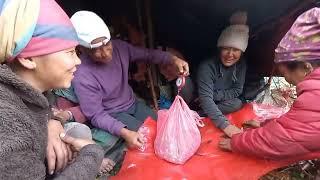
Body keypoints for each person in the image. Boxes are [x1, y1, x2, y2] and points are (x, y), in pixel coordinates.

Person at [0, 0, 104, 179]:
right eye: (69, 52)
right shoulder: (7, 128)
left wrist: (53, 122)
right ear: (29, 58)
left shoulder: (33, 92)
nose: (78, 61)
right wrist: (91, 155)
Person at [70, 11, 189, 150]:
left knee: (166, 127)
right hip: (113, 114)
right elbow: (96, 115)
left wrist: (173, 59)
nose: (106, 53)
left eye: (107, 44)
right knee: (150, 139)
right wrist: (125, 133)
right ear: (83, 49)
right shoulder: (82, 75)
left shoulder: (120, 48)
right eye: (96, 50)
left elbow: (148, 54)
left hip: (133, 103)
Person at [219, 8, 320, 160]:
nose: (287, 80)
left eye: (284, 74)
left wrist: (237, 143)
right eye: (226, 48)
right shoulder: (209, 66)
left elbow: (284, 139)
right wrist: (266, 125)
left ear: (306, 66)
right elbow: (300, 124)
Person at [197, 12, 249, 137]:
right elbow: (205, 98)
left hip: (215, 100)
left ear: (241, 52)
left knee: (237, 103)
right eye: (226, 48)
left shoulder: (241, 65)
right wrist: (226, 125)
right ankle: (196, 111)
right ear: (220, 49)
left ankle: (200, 113)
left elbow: (237, 90)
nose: (230, 54)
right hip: (200, 99)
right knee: (203, 99)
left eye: (236, 50)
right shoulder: (207, 66)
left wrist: (214, 96)